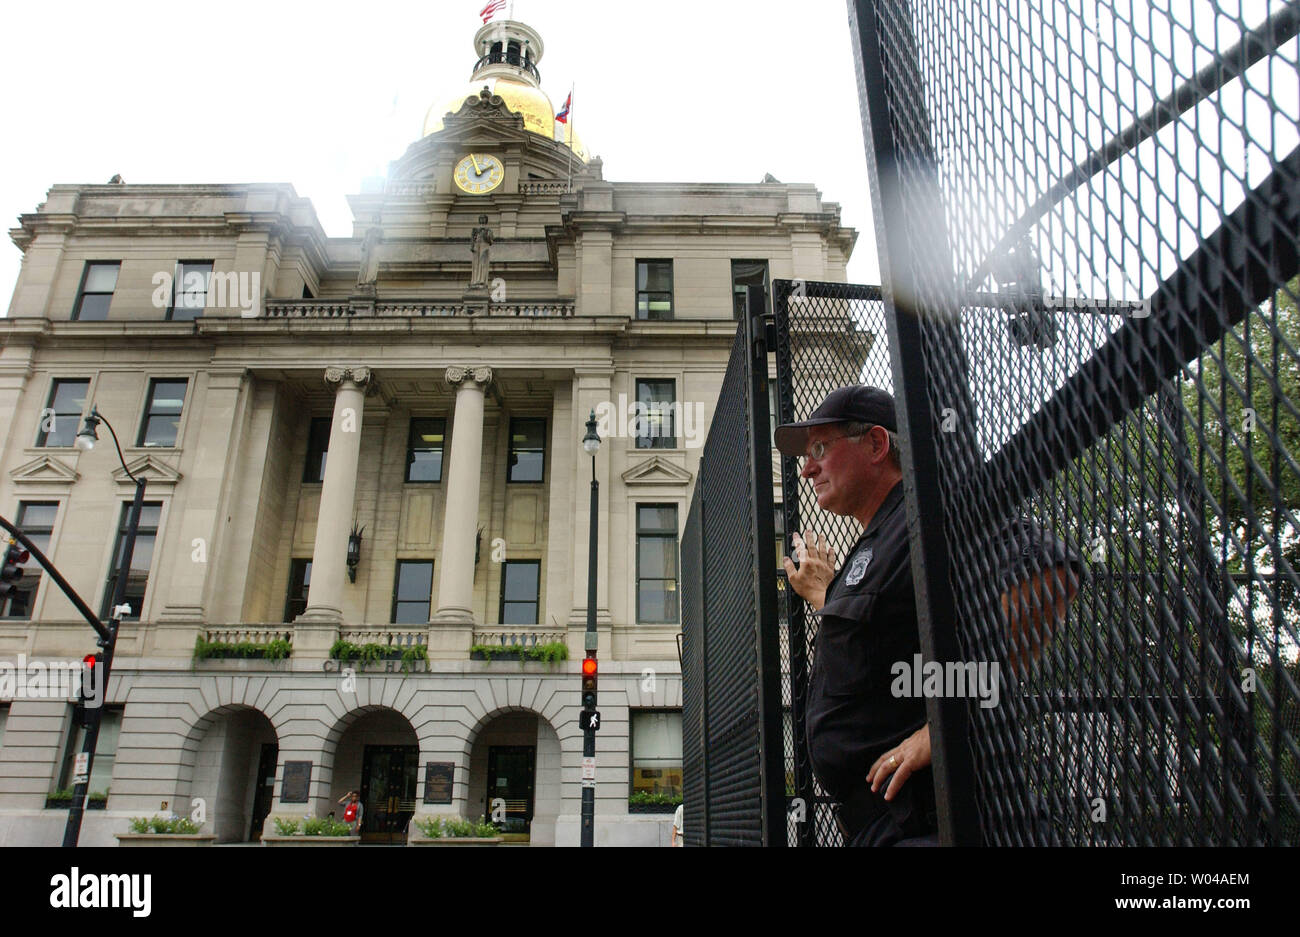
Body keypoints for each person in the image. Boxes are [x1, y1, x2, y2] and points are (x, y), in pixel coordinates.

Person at [775, 385, 1080, 846]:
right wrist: (825, 595)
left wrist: (946, 724)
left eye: (820, 448)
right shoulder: (879, 539)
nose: (807, 467)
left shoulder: (930, 512)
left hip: (937, 821)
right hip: (881, 825)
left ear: (876, 444)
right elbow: (884, 644)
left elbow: (1049, 572)